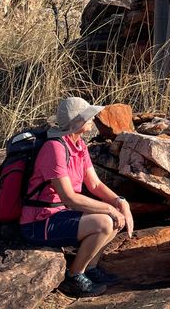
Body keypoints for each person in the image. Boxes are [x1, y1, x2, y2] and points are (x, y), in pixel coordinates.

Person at [20, 96, 134, 297]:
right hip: (39, 222)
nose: (93, 119)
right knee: (105, 222)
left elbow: (95, 184)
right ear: (77, 122)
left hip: (60, 214)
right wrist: (108, 209)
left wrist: (119, 202)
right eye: (88, 116)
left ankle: (90, 267)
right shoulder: (55, 148)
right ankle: (74, 276)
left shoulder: (78, 145)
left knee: (114, 215)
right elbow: (69, 198)